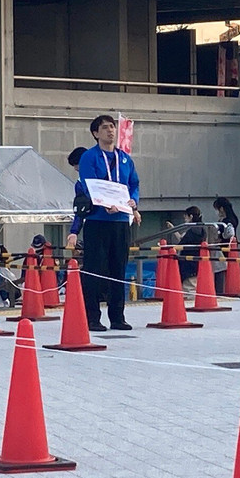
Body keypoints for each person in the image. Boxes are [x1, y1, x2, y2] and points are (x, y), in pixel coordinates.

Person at [78, 113, 140, 332]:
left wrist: (134, 201)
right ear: (96, 133)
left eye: (112, 127)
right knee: (95, 269)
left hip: (121, 220)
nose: (110, 131)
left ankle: (117, 316)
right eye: (104, 128)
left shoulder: (124, 158)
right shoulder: (90, 157)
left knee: (118, 268)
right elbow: (88, 184)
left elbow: (134, 183)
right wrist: (103, 203)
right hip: (98, 220)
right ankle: (92, 317)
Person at [164, 206, 207, 295]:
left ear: (191, 216)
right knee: (194, 286)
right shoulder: (201, 229)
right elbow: (182, 240)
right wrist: (173, 229)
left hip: (189, 264)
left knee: (189, 288)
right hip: (197, 262)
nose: (185, 220)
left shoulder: (193, 231)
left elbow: (182, 243)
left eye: (186, 217)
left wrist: (170, 248)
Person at [66, 146, 89, 251]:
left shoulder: (81, 184)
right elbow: (79, 209)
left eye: (76, 164)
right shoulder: (80, 183)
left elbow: (79, 211)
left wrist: (74, 231)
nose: (75, 168)